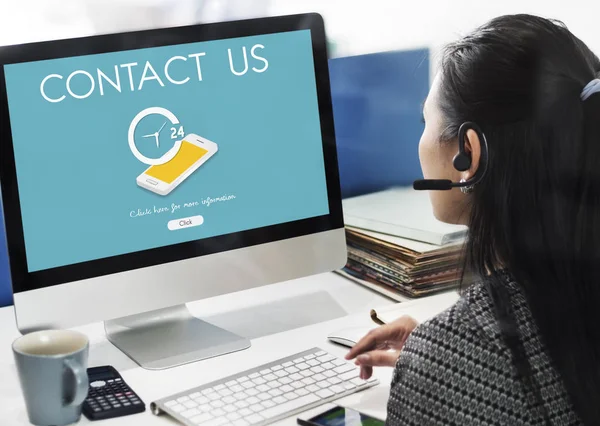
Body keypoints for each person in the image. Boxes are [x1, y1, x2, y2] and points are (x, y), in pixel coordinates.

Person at [346, 14, 600, 426]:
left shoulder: (448, 360)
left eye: (425, 123)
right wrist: (454, 347)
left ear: (468, 153)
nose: (421, 141)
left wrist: (447, 358)